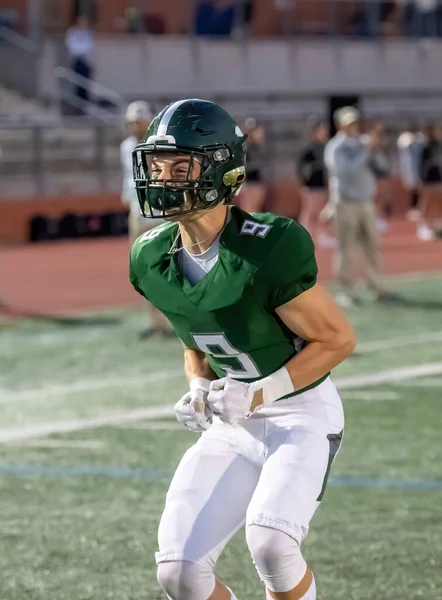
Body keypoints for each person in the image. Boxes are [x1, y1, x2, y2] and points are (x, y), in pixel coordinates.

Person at [130, 98, 356, 600]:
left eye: (179, 166)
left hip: (299, 411)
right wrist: (196, 386)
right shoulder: (151, 257)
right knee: (179, 572)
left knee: (273, 543)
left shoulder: (266, 247)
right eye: (156, 165)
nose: (163, 178)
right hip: (231, 423)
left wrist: (260, 394)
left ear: (219, 171)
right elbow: (196, 344)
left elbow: (337, 339)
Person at [323, 106, 400, 306]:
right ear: (340, 125)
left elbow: (382, 169)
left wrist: (377, 149)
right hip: (345, 203)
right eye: (349, 123)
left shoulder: (363, 143)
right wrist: (366, 150)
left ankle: (377, 286)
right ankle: (346, 290)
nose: (353, 126)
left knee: (372, 247)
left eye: (355, 122)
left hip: (366, 203)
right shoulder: (335, 147)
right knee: (346, 247)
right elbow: (346, 172)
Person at [121, 101, 172, 339]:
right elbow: (128, 176)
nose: (135, 126)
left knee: (166, 267)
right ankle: (156, 322)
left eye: (139, 122)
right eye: (132, 122)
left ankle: (176, 318)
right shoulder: (126, 146)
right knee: (142, 269)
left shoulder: (159, 145)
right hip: (137, 212)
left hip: (159, 215)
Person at [297, 118, 335, 246]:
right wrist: (303, 184)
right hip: (311, 185)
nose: (323, 132)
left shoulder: (325, 147)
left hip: (321, 184)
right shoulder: (310, 148)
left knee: (320, 211)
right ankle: (303, 236)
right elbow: (301, 168)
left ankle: (320, 235)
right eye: (320, 130)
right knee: (309, 211)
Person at [65, 16, 94, 115]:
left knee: (85, 87)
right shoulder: (73, 33)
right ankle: (77, 109)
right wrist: (81, 50)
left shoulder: (87, 33)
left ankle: (84, 108)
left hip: (86, 63)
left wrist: (81, 50)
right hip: (77, 63)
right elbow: (73, 48)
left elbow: (88, 47)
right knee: (77, 86)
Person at [237, 117, 267, 213]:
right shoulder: (245, 147)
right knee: (248, 209)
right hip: (248, 182)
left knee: (255, 209)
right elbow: (242, 165)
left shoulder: (257, 147)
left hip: (257, 181)